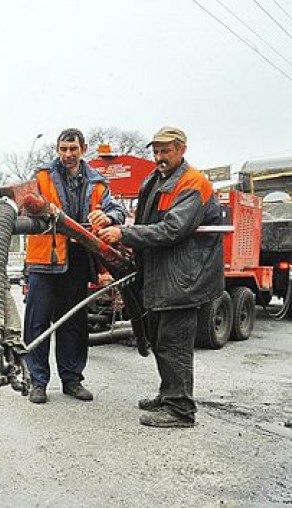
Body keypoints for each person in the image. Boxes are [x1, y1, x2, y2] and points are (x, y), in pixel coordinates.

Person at [98, 126, 223, 427]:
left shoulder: (194, 184)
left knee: (174, 344)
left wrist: (124, 233)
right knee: (159, 338)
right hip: (161, 275)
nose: (159, 156)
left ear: (181, 149)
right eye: (155, 151)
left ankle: (181, 409)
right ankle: (169, 394)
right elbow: (146, 222)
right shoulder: (155, 180)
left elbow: (173, 229)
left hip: (184, 278)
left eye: (165, 150)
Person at [24, 128, 126, 404]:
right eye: (63, 149)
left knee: (74, 323)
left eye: (73, 149)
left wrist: (106, 217)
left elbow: (119, 211)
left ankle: (71, 379)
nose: (67, 155)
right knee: (37, 323)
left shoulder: (97, 182)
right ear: (57, 150)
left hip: (78, 260)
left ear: (84, 149)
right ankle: (38, 381)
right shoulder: (41, 176)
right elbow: (25, 204)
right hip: (44, 261)